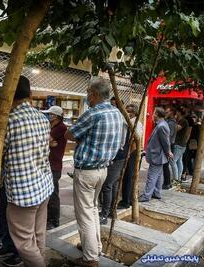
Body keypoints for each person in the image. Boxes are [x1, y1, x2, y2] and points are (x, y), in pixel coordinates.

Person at [65, 77, 124, 267]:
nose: (87, 96)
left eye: (88, 92)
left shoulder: (93, 113)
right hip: (103, 170)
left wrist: (82, 140)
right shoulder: (116, 113)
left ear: (95, 94)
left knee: (85, 215)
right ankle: (95, 247)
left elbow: (69, 134)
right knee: (92, 210)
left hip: (87, 172)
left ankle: (90, 258)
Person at [3, 76, 53, 267]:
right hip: (44, 186)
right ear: (30, 95)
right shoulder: (43, 117)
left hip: (23, 194)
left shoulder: (8, 121)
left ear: (8, 95)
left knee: (24, 242)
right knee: (38, 234)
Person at [99, 104, 127, 224]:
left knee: (107, 185)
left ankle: (105, 214)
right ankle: (111, 211)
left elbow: (120, 143)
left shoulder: (120, 121)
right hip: (116, 156)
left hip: (117, 157)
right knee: (113, 185)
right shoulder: (118, 119)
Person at [139, 107, 173, 202]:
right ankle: (157, 192)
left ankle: (146, 196)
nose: (152, 115)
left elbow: (165, 142)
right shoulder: (161, 124)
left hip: (157, 156)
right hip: (158, 155)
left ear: (157, 114)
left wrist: (168, 152)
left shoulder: (161, 126)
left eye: (154, 113)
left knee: (152, 176)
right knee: (158, 175)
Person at [43, 105, 67, 230]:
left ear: (56, 116)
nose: (48, 116)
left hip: (55, 164)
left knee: (53, 193)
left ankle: (54, 220)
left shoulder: (60, 127)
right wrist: (48, 143)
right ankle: (49, 218)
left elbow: (44, 139)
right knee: (48, 192)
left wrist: (48, 142)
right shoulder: (51, 126)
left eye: (50, 114)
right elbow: (45, 140)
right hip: (49, 163)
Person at [117, 104, 143, 209]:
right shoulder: (132, 122)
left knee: (128, 177)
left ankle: (126, 201)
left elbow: (135, 140)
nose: (126, 113)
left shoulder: (134, 123)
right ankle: (130, 199)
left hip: (132, 153)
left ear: (133, 113)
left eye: (128, 111)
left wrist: (128, 153)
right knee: (129, 177)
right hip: (131, 152)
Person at [172, 108, 189, 182]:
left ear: (179, 113)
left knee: (173, 161)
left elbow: (176, 129)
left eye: (177, 112)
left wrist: (173, 121)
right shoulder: (181, 121)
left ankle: (175, 179)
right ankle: (178, 178)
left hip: (179, 144)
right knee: (179, 161)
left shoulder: (183, 121)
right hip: (180, 144)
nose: (176, 114)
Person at [162, 106, 177, 189]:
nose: (165, 114)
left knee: (166, 165)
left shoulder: (171, 123)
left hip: (169, 145)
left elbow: (168, 136)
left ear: (171, 113)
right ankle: (166, 182)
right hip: (169, 145)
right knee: (165, 165)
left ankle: (167, 183)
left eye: (167, 112)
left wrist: (168, 150)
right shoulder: (169, 122)